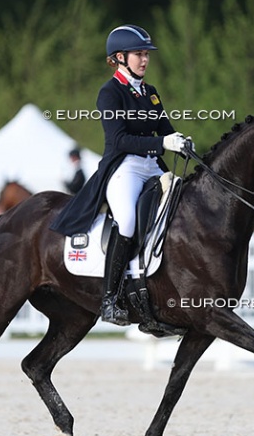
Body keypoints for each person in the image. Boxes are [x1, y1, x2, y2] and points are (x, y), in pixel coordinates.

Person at [50, 24, 190, 325]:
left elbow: (164, 129)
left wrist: (179, 140)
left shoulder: (150, 93)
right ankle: (110, 299)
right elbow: (119, 140)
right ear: (119, 58)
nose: (144, 60)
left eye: (146, 54)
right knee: (126, 219)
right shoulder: (109, 93)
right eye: (139, 54)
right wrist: (162, 143)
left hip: (153, 166)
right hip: (125, 167)